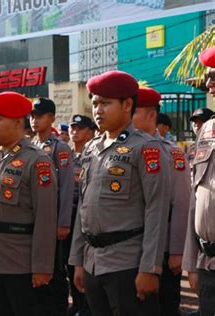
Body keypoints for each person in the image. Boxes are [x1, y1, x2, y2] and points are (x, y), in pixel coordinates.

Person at [69, 70, 171, 316]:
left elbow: (156, 210)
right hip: (93, 262)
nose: (98, 110)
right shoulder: (92, 148)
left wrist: (150, 268)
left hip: (128, 264)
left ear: (127, 105)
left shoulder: (146, 148)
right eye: (94, 103)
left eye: (105, 103)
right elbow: (83, 208)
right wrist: (78, 261)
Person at [0, 91, 58, 316]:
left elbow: (46, 217)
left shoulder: (37, 160)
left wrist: (42, 267)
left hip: (22, 265)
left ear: (16, 122)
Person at [133, 87, 190, 316]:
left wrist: (176, 250)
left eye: (134, 111)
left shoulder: (171, 152)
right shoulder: (122, 149)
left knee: (164, 306)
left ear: (151, 115)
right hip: (131, 247)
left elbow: (181, 202)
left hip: (164, 249)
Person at [29, 97, 74, 315]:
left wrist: (63, 222)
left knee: (56, 270)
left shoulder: (60, 148)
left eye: (39, 116)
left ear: (51, 118)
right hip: (36, 222)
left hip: (54, 220)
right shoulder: (31, 146)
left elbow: (66, 187)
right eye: (32, 116)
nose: (34, 120)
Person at [182, 46, 215, 315]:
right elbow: (197, 196)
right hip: (208, 262)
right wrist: (191, 262)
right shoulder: (207, 129)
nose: (208, 83)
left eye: (214, 75)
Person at [68, 114, 96, 316]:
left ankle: (87, 306)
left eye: (80, 128)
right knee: (71, 264)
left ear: (90, 132)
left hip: (85, 216)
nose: (74, 131)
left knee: (85, 264)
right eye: (72, 128)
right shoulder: (67, 156)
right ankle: (77, 304)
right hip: (67, 217)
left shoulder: (93, 154)